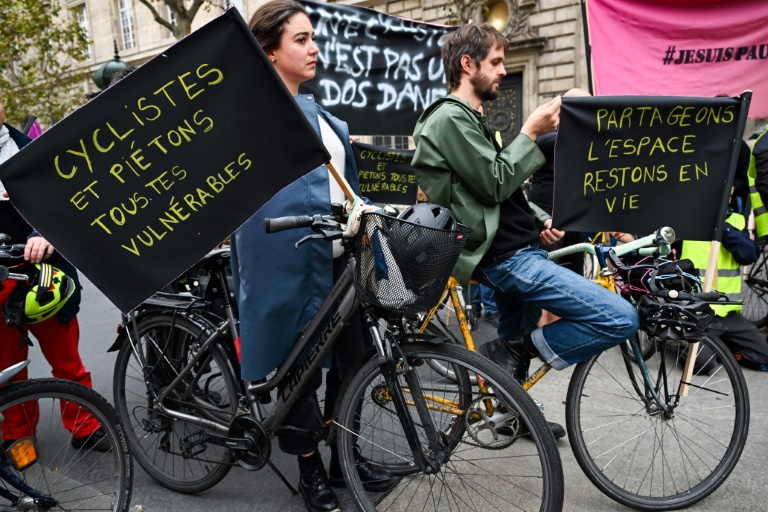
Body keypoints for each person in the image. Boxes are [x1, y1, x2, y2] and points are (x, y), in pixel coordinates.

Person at [411, 23, 639, 438]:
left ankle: (510, 413)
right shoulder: (448, 117)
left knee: (517, 329)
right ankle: (509, 351)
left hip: (520, 248)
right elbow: (493, 182)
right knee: (620, 316)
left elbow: (500, 191)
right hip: (506, 258)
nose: (503, 70)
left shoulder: (471, 117)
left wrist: (538, 220)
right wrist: (530, 131)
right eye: (496, 62)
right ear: (468, 64)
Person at [231, 2, 397, 510]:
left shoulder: (325, 118)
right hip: (287, 264)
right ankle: (309, 471)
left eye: (313, 38)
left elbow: (348, 191)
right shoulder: (252, 117)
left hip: (340, 263)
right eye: (301, 40)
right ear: (269, 52)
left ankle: (344, 454)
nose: (314, 48)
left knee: (353, 362)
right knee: (300, 372)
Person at [0, 87, 110, 452]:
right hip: (0, 279)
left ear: (3, 102)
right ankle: (18, 433)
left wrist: (44, 233)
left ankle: (84, 425)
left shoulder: (35, 149)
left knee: (67, 360)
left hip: (45, 274)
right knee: (8, 368)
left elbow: (66, 202)